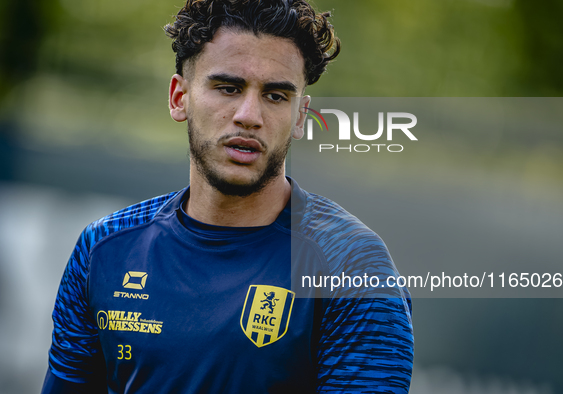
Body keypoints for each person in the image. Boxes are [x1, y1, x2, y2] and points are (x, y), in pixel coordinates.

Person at [41, 0, 414, 393]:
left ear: (301, 116)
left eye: (275, 96)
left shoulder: (352, 266)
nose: (249, 114)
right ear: (179, 97)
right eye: (228, 88)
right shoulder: (103, 248)